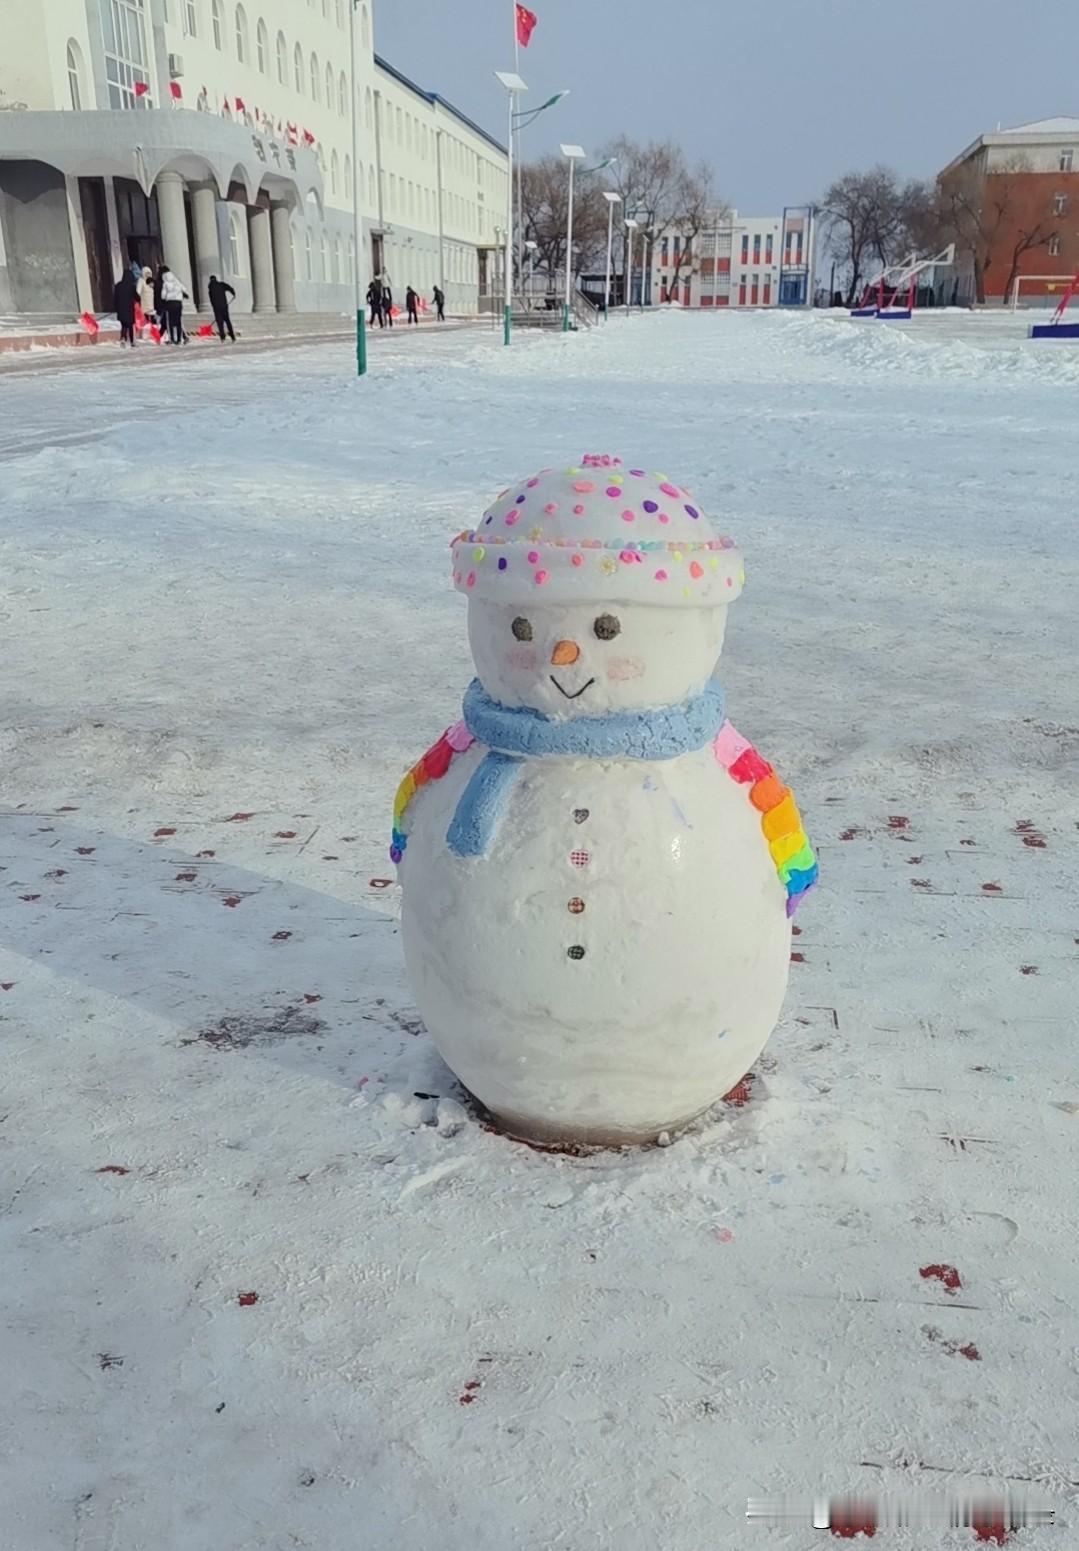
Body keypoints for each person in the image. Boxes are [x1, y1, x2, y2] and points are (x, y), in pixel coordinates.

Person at [160, 265, 188, 344]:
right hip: (178, 303)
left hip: (170, 303)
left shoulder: (165, 283)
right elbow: (184, 289)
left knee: (170, 322)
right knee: (178, 321)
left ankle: (172, 339)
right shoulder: (176, 281)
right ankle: (179, 339)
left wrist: (166, 296)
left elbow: (163, 296)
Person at [113, 268, 138, 347]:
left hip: (121, 308)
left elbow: (115, 298)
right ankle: (131, 341)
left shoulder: (118, 286)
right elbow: (137, 297)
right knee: (130, 325)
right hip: (129, 308)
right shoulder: (132, 286)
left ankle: (123, 338)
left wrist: (115, 307)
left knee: (123, 324)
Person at [207, 274, 237, 341]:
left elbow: (211, 299)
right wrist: (233, 293)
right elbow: (229, 288)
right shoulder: (221, 285)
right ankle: (232, 336)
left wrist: (214, 306)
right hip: (224, 306)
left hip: (216, 308)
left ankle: (222, 337)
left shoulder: (210, 288)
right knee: (227, 321)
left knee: (220, 323)